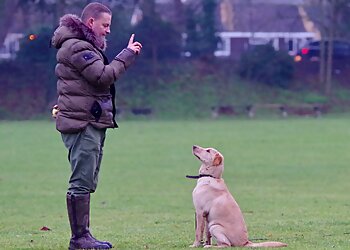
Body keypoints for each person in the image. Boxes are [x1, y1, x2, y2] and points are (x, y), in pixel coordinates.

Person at [51, 2, 142, 249]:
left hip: (89, 120)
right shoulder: (78, 47)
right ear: (91, 23)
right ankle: (79, 239)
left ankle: (84, 236)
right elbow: (102, 76)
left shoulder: (82, 46)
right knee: (81, 180)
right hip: (82, 123)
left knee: (87, 179)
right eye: (105, 25)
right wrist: (127, 55)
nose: (108, 30)